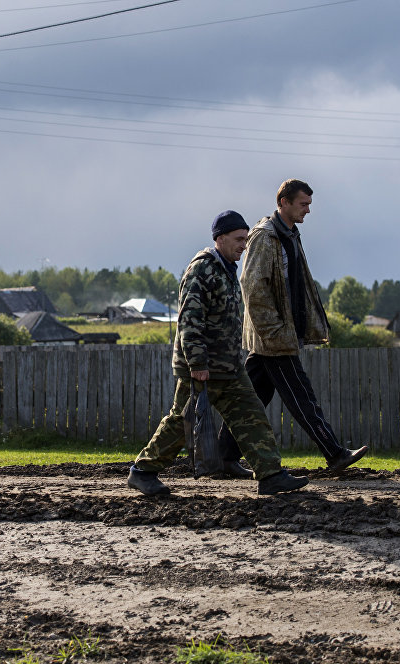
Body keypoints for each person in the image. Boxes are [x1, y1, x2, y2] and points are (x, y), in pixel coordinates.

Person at [127, 210, 309, 497]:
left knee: (251, 415)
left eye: (246, 239)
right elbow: (190, 320)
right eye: (238, 239)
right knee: (181, 423)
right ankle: (142, 471)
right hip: (202, 369)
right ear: (220, 238)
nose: (244, 244)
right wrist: (198, 363)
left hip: (228, 368)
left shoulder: (226, 269)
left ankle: (271, 474)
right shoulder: (202, 269)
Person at [217, 179, 368, 472]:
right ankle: (335, 454)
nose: (308, 210)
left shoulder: (289, 234)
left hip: (277, 335)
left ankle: (223, 457)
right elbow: (252, 286)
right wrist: (273, 331)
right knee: (302, 397)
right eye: (304, 204)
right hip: (274, 338)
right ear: (283, 202)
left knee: (250, 399)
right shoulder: (265, 236)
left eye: (309, 204)